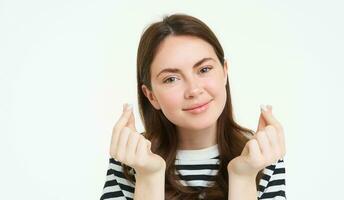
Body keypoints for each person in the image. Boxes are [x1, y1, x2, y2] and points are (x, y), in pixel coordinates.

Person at [100, 13, 286, 200]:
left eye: (204, 69)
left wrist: (243, 177)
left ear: (224, 73)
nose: (194, 90)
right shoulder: (132, 157)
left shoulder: (260, 154)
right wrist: (149, 177)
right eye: (171, 79)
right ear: (151, 96)